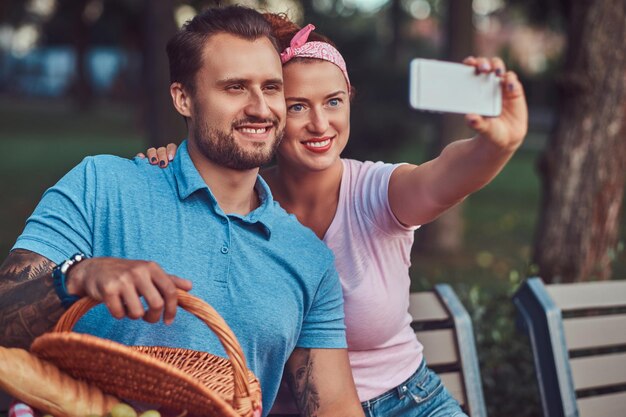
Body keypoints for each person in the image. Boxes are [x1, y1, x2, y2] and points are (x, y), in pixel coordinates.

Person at [144, 13, 528, 417]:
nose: (320, 124)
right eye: (297, 107)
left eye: (333, 102)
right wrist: (175, 162)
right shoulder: (239, 199)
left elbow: (446, 175)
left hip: (409, 403)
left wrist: (497, 146)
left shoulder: (379, 193)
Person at [0, 7, 365, 417]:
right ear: (183, 98)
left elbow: (333, 405)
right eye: (235, 88)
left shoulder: (307, 257)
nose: (261, 108)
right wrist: (77, 275)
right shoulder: (102, 185)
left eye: (271, 87)